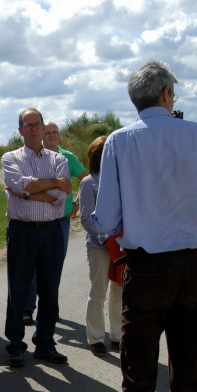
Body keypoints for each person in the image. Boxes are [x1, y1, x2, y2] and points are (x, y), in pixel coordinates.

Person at [92, 60, 197, 392]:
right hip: (194, 262)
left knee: (139, 370)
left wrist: (134, 224)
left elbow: (108, 217)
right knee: (190, 366)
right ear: (166, 93)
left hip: (146, 266)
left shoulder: (120, 141)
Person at [3, 108, 71, 368]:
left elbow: (62, 195)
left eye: (37, 124)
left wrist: (30, 192)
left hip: (53, 230)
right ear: (20, 130)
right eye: (27, 125)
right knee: (18, 290)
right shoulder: (10, 157)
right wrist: (50, 185)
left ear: (43, 127)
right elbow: (19, 185)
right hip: (23, 231)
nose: (33, 128)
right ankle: (16, 346)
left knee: (49, 290)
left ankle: (45, 344)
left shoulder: (57, 158)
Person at [23, 122, 88, 325]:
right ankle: (28, 308)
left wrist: (77, 202)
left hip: (61, 222)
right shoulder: (36, 157)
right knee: (33, 266)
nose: (52, 135)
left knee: (54, 267)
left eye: (55, 132)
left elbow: (86, 180)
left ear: (59, 136)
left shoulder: (68, 157)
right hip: (38, 219)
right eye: (48, 132)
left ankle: (49, 308)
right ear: (42, 135)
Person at [78, 136, 120, 357]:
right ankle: (95, 338)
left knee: (119, 290)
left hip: (121, 246)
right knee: (99, 291)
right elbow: (86, 219)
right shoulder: (88, 183)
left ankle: (117, 336)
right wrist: (108, 238)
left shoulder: (121, 179)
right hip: (99, 245)